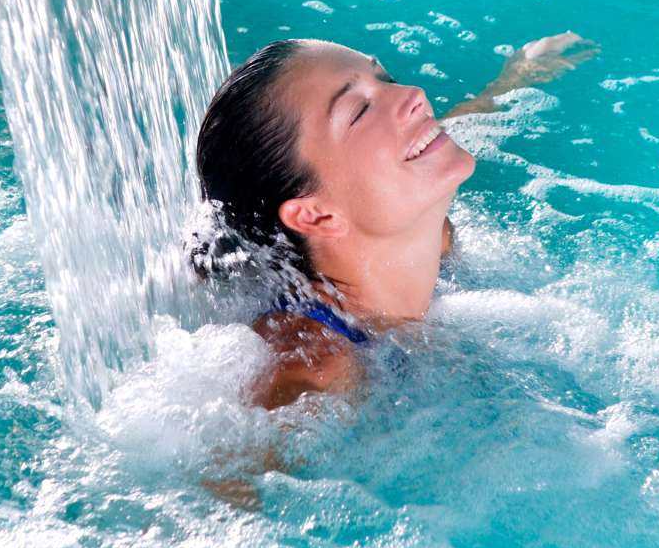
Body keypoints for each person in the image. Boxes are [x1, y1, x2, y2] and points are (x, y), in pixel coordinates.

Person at [194, 32, 596, 410]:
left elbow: (431, 136)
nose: (414, 95)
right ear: (316, 214)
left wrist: (515, 78)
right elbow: (233, 475)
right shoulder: (314, 365)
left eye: (386, 79)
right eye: (360, 110)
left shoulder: (431, 233)